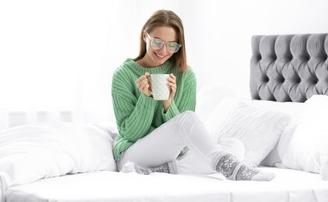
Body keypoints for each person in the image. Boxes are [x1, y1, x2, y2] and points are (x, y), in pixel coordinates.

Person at [111, 10, 274, 181]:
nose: (164, 50)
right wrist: (146, 98)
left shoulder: (185, 75)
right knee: (187, 118)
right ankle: (233, 170)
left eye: (172, 45)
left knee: (235, 146)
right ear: (145, 36)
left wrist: (168, 103)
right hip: (133, 154)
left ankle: (160, 170)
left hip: (171, 156)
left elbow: (183, 143)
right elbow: (130, 134)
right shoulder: (123, 74)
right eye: (157, 42)